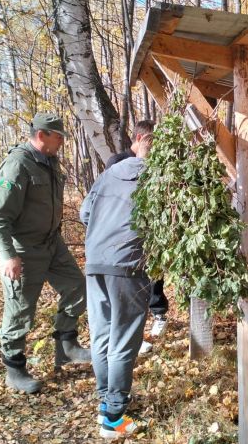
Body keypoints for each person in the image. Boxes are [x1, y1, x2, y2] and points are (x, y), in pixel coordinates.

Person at [0, 112, 90, 394]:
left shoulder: (49, 162)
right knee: (20, 310)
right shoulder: (18, 165)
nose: (62, 142)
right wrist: (8, 255)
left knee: (77, 287)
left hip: (51, 243)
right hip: (23, 248)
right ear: (41, 134)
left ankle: (67, 346)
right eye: (58, 136)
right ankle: (15, 369)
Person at [80, 132, 154, 439]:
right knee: (123, 340)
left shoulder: (108, 174)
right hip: (128, 265)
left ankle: (105, 402)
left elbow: (85, 212)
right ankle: (113, 416)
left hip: (95, 262)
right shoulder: (154, 177)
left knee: (101, 335)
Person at [105, 121, 168, 354]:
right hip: (122, 236)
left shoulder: (152, 164)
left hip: (146, 232)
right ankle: (128, 338)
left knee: (152, 278)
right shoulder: (117, 162)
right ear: (140, 138)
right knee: (128, 289)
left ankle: (155, 316)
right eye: (152, 141)